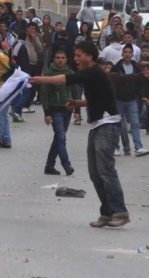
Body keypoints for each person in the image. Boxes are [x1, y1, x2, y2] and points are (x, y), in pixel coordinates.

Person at [29, 41, 131, 228]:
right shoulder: (92, 76)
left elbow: (67, 79)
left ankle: (121, 212)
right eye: (74, 55)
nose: (75, 59)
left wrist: (41, 79)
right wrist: (78, 103)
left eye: (78, 55)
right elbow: (97, 98)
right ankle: (107, 213)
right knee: (95, 173)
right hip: (97, 126)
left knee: (106, 171)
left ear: (89, 57)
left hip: (107, 126)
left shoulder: (93, 71)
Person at [41, 50, 80, 176]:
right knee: (61, 137)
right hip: (54, 110)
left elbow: (75, 92)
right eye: (57, 57)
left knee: (58, 138)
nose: (60, 60)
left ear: (67, 59)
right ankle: (66, 164)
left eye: (63, 57)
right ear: (53, 59)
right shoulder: (49, 75)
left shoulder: (70, 74)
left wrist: (77, 110)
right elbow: (44, 95)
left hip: (67, 110)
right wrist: (47, 113)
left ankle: (49, 165)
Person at [110, 44, 149, 157]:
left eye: (129, 52)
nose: (127, 54)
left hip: (132, 100)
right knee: (117, 124)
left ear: (133, 54)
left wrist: (143, 96)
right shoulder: (116, 67)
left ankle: (138, 147)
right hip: (119, 100)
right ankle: (116, 147)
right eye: (125, 52)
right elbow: (112, 83)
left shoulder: (136, 68)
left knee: (135, 124)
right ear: (122, 54)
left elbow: (140, 84)